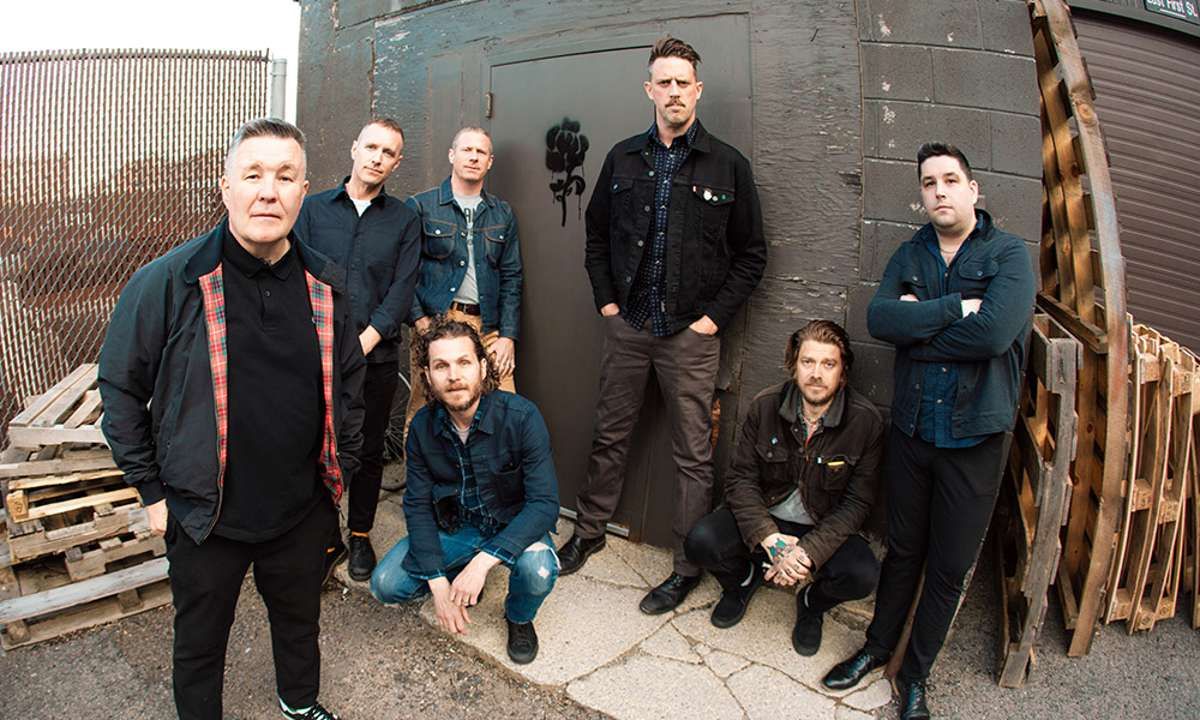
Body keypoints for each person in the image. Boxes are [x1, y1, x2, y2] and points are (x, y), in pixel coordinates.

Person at [98, 118, 364, 720]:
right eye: (253, 175)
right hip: (204, 514)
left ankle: (299, 703)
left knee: (299, 622)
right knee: (200, 641)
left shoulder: (326, 284)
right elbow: (119, 385)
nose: (268, 191)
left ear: (303, 191)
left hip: (300, 509)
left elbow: (350, 383)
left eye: (285, 177)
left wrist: (338, 474)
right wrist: (151, 491)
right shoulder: (171, 281)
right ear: (225, 188)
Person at [821, 143, 1036, 720]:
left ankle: (914, 676)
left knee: (947, 566)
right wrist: (956, 308)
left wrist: (917, 326)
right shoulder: (910, 252)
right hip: (914, 432)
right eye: (929, 182)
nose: (939, 190)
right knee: (903, 550)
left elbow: (993, 337)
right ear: (921, 195)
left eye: (950, 180)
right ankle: (876, 648)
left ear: (973, 190)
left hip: (974, 438)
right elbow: (880, 319)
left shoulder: (1009, 256)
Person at [559, 36, 767, 616]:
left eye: (683, 82)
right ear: (649, 89)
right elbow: (596, 235)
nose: (674, 92)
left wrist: (710, 321)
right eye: (664, 82)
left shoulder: (728, 164)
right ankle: (589, 531)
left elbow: (752, 254)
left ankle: (686, 566)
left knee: (693, 455)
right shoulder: (623, 158)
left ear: (698, 90)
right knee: (610, 434)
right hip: (628, 325)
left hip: (689, 336)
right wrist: (607, 304)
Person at [684, 320, 883, 656]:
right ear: (794, 365)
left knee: (862, 575)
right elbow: (741, 479)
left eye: (828, 364)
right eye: (808, 362)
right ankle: (742, 580)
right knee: (700, 542)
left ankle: (812, 603)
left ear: (843, 372)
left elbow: (857, 503)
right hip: (767, 517)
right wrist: (770, 539)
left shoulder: (865, 421)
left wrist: (807, 553)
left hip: (821, 525)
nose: (816, 374)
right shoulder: (766, 405)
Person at [371, 318, 559, 665]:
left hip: (512, 524)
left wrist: (482, 564)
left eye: (464, 362)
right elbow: (417, 506)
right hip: (459, 527)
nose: (454, 375)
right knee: (385, 584)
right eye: (441, 366)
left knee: (539, 570)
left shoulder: (521, 417)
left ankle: (518, 616)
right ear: (427, 376)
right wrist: (438, 584)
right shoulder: (422, 428)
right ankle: (458, 573)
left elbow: (544, 505)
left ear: (483, 367)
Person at [296, 117, 420, 581]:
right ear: (354, 149)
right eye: (371, 147)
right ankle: (326, 536)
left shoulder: (404, 220)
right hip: (316, 355)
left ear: (396, 163)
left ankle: (361, 534)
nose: (377, 158)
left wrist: (364, 341)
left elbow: (402, 289)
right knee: (315, 446)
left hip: (376, 357)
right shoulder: (312, 211)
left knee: (368, 450)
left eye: (388, 153)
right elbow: (296, 275)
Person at [402, 127, 522, 435]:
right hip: (437, 320)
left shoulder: (502, 213)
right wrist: (420, 322)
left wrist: (508, 336)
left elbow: (512, 276)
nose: (473, 157)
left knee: (505, 408)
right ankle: (418, 469)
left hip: (489, 327)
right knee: (424, 410)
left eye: (481, 152)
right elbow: (403, 272)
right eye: (467, 149)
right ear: (452, 155)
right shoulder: (421, 206)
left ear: (489, 162)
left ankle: (491, 469)